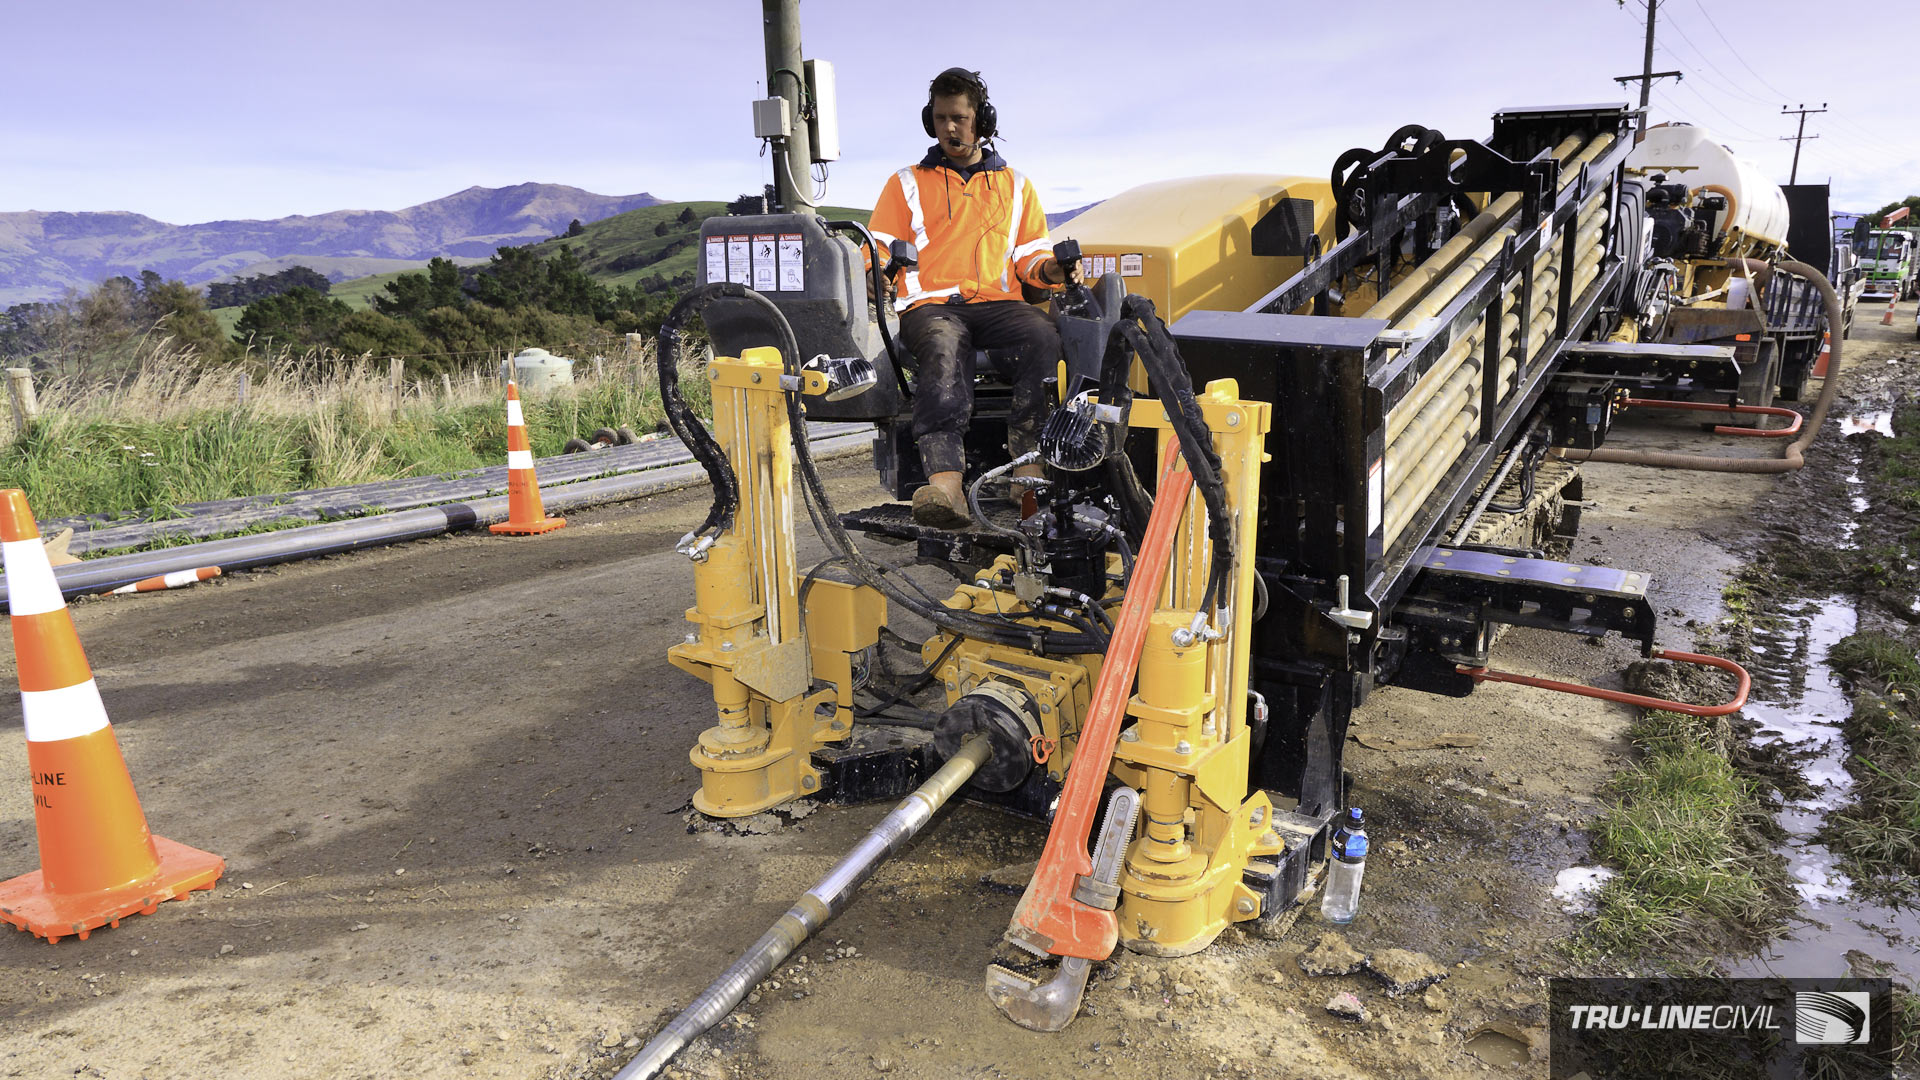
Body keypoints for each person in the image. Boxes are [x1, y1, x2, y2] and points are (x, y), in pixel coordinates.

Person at [869, 67, 1080, 528]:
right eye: (942, 118)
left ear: (981, 120)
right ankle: (946, 487)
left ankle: (1029, 470)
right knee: (943, 351)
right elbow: (879, 247)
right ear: (931, 121)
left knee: (1044, 337)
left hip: (999, 304)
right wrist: (876, 273)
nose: (950, 128)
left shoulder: (1016, 186)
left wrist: (1050, 271)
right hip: (932, 306)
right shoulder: (906, 183)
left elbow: (1031, 257)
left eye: (960, 118)